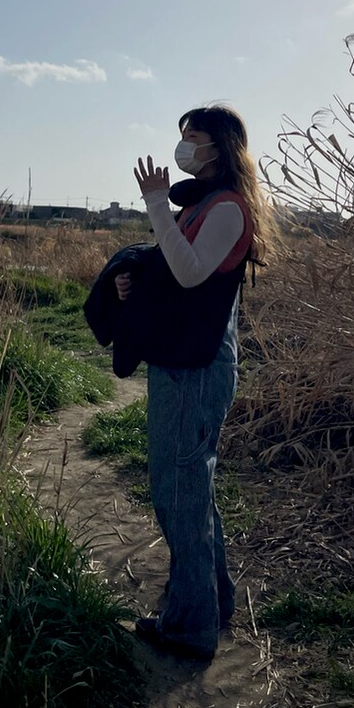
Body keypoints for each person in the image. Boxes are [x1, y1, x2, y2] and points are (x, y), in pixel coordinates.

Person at [117, 104, 276, 660]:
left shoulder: (229, 208)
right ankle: (213, 601)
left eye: (194, 137)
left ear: (222, 147)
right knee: (191, 490)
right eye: (181, 135)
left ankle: (188, 628)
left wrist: (157, 204)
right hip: (183, 359)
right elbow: (176, 275)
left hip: (197, 368)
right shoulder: (204, 205)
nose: (184, 145)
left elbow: (191, 272)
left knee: (179, 490)